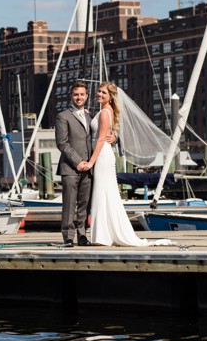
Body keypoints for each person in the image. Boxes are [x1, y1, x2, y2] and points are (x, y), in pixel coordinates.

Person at [87, 81, 170, 247]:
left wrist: (90, 162)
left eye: (104, 93)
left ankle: (102, 237)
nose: (100, 95)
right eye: (99, 91)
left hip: (102, 155)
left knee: (102, 192)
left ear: (111, 97)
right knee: (107, 193)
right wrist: (114, 136)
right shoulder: (107, 111)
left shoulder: (104, 113)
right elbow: (110, 133)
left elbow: (102, 138)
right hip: (106, 154)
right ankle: (105, 235)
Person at [55, 81, 95, 247]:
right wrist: (78, 162)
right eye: (76, 94)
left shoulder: (89, 116)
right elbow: (62, 143)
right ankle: (68, 237)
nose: (79, 97)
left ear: (86, 96)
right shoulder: (63, 116)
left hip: (88, 168)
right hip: (70, 167)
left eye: (82, 94)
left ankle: (82, 235)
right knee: (70, 204)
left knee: (84, 204)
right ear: (71, 96)